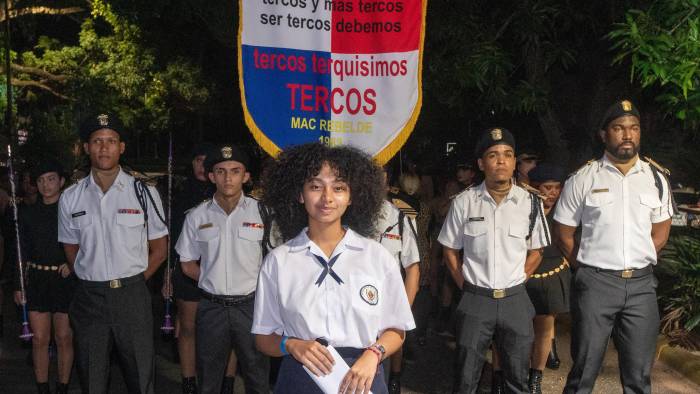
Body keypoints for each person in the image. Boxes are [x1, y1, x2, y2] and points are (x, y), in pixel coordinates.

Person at [252, 143, 415, 394]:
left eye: (339, 188)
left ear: (351, 197)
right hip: (300, 379)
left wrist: (373, 354)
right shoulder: (279, 261)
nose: (327, 198)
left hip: (364, 377)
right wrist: (292, 345)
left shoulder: (377, 257)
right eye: (315, 186)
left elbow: (396, 329)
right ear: (300, 194)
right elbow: (263, 338)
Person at [554, 99, 673, 394]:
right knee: (584, 371)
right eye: (619, 128)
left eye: (634, 128)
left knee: (639, 376)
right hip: (596, 284)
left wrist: (639, 259)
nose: (627, 134)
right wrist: (584, 268)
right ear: (604, 134)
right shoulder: (584, 178)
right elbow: (564, 231)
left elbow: (661, 232)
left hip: (642, 287)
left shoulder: (656, 179)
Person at [58, 113, 169, 394]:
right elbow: (70, 246)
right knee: (92, 378)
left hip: (131, 295)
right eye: (97, 141)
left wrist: (132, 281)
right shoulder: (71, 197)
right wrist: (90, 273)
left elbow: (160, 248)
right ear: (86, 148)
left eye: (111, 141)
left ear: (121, 147)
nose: (104, 147)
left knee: (141, 377)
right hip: (89, 298)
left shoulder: (143, 192)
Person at [438, 128, 549, 394]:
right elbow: (450, 250)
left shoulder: (531, 203)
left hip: (515, 301)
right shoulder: (464, 202)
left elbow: (537, 250)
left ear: (514, 162)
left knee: (517, 379)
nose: (501, 161)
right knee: (466, 379)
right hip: (476, 300)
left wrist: (520, 278)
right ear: (481, 163)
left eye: (508, 155)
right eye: (493, 155)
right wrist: (464, 284)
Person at [175, 144, 270, 394]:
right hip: (212, 308)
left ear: (246, 176)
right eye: (220, 171)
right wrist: (211, 279)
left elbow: (278, 261)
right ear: (211, 176)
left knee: (257, 377)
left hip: (252, 307)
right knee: (208, 379)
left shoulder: (264, 213)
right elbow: (186, 262)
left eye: (235, 171)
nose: (228, 177)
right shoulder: (196, 216)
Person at [164, 142, 240, 394]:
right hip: (189, 271)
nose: (201, 165)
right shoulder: (181, 193)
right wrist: (168, 274)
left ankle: (227, 381)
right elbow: (173, 238)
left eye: (206, 161)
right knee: (188, 327)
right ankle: (189, 380)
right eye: (197, 160)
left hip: (227, 275)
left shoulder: (226, 193)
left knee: (229, 332)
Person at [13, 159, 76, 394]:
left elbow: (88, 242)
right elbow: (18, 251)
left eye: (51, 179)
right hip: (37, 279)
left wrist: (74, 263)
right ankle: (42, 389)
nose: (46, 185)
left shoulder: (72, 212)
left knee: (63, 338)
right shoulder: (26, 214)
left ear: (61, 181)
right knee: (39, 339)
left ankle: (62, 387)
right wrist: (18, 285)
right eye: (40, 180)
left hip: (64, 281)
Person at [522, 163, 571, 394]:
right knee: (517, 330)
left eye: (556, 188)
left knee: (544, 329)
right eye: (547, 187)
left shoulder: (565, 211)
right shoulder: (523, 209)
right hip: (522, 275)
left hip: (551, 273)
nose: (552, 193)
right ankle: (508, 374)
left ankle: (535, 378)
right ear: (534, 188)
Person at [377, 169, 421, 394]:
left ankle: (395, 377)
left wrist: (404, 309)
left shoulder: (400, 218)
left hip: (388, 304)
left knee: (383, 368)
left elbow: (412, 268)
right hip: (354, 308)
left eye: (380, 179)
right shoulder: (346, 218)